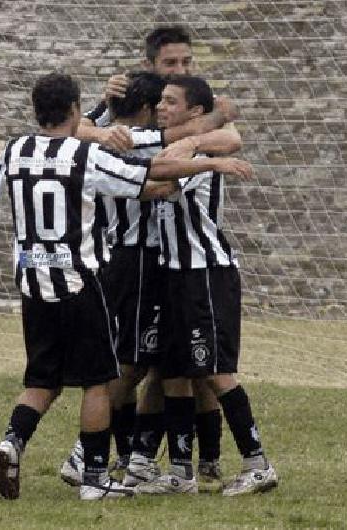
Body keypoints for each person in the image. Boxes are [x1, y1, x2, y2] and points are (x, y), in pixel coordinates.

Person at [0, 72, 253, 501]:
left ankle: (11, 442)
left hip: (32, 284)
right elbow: (155, 173)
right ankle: (93, 475)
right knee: (100, 380)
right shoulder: (84, 156)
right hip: (82, 278)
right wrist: (209, 162)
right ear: (75, 111)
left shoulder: (15, 152)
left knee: (42, 381)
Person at [64, 25, 232, 493]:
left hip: (176, 259)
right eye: (170, 64)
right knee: (138, 360)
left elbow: (231, 132)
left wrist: (203, 128)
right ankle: (96, 453)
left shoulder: (190, 105)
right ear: (149, 67)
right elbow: (71, 129)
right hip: (138, 257)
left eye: (186, 63)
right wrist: (106, 124)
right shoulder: (131, 120)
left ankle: (181, 460)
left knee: (177, 362)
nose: (180, 71)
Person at [133, 75, 278, 496]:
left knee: (215, 370)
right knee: (175, 370)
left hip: (206, 274)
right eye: (160, 100)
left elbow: (156, 185)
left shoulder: (197, 156)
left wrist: (193, 147)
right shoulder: (183, 144)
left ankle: (257, 462)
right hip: (175, 273)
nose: (161, 107)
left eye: (171, 102)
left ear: (194, 112)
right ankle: (180, 471)